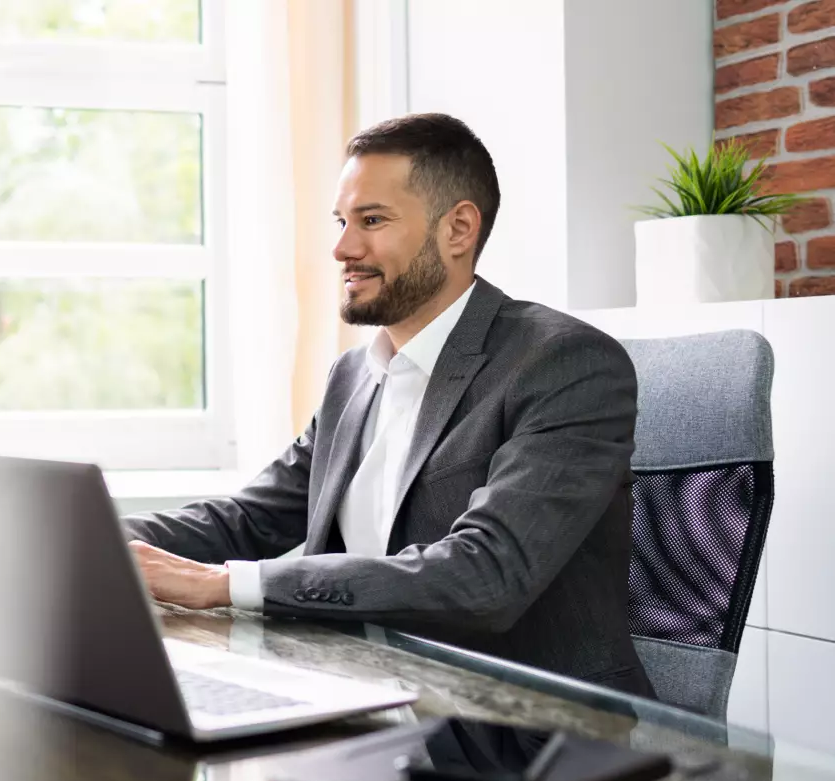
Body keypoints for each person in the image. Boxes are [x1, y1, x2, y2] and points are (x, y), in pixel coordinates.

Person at [122, 113, 654, 697]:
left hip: (528, 730)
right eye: (342, 221)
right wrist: (95, 538)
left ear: (458, 230)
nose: (343, 248)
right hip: (367, 692)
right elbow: (253, 520)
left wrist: (223, 585)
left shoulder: (563, 364)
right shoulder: (354, 374)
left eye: (372, 221)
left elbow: (484, 574)